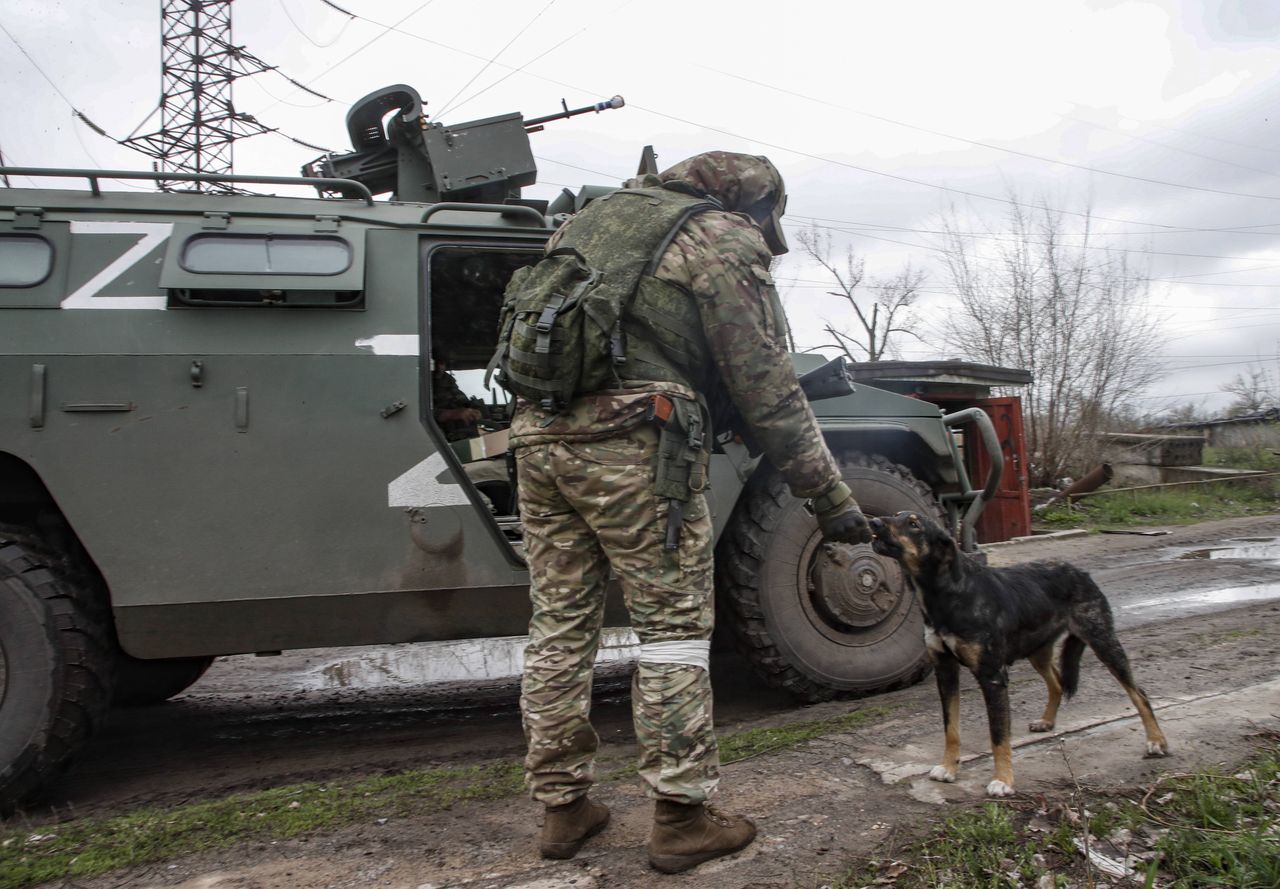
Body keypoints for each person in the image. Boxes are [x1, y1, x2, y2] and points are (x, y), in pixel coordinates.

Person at [507, 151, 871, 873]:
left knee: (558, 626)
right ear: (756, 204)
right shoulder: (717, 237)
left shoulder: (586, 223)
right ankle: (680, 814)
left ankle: (563, 807)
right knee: (671, 630)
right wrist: (830, 498)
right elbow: (768, 384)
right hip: (637, 442)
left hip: (539, 437)